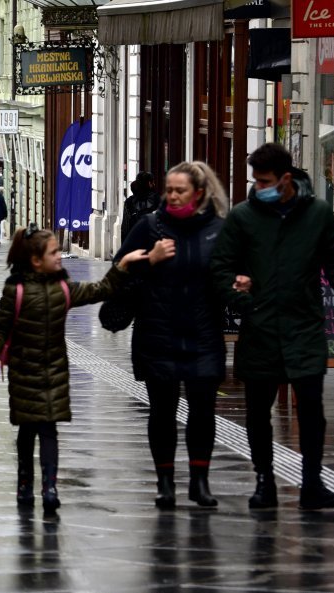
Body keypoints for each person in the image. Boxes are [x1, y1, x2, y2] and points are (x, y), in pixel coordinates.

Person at [210, 142, 334, 510]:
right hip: (260, 329)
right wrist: (240, 294)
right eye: (255, 180)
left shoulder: (317, 215)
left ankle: (312, 484)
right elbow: (220, 269)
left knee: (312, 410)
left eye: (264, 180)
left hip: (304, 328)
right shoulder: (243, 217)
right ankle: (264, 481)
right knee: (257, 411)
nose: (257, 186)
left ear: (285, 179)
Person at [0, 225, 147, 512]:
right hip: (23, 374)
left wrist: (122, 266)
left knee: (49, 431)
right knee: (26, 432)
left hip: (55, 373)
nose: (60, 256)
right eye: (54, 252)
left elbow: (101, 289)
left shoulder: (64, 288)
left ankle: (49, 487)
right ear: (36, 260)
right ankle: (25, 484)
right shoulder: (16, 290)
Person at [115, 161, 229, 509]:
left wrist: (240, 283)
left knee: (202, 411)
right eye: (170, 190)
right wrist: (151, 257)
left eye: (180, 190)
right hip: (158, 332)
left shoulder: (218, 230)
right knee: (162, 412)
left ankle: (200, 481)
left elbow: (231, 273)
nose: (173, 195)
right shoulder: (150, 226)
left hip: (203, 334)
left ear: (199, 193)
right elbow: (120, 267)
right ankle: (165, 482)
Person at [120, 172, 161, 243]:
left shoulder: (129, 202)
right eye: (152, 182)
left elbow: (125, 229)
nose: (154, 184)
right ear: (149, 183)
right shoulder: (157, 199)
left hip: (134, 243)